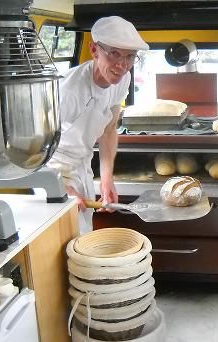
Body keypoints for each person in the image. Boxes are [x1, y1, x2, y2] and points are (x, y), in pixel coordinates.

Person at [47, 16, 149, 234]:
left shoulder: (123, 79)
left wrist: (106, 180)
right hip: (51, 173)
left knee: (83, 236)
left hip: (81, 165)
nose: (122, 65)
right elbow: (33, 151)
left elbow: (109, 130)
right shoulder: (68, 92)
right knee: (64, 245)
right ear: (94, 50)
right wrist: (61, 190)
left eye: (130, 57)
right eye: (114, 54)